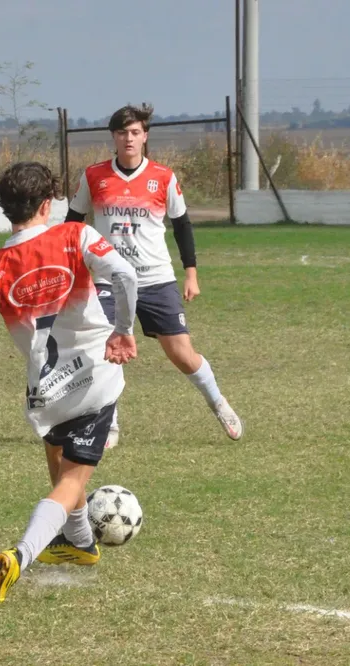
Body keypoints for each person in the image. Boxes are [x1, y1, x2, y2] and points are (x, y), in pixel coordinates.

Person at [0, 161, 139, 606]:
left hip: (46, 392)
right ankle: (20, 555)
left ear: (5, 209)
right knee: (69, 482)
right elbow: (125, 275)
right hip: (95, 378)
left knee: (58, 463)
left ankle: (80, 544)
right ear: (48, 204)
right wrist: (123, 330)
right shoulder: (75, 236)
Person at [65, 103, 243, 448]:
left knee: (182, 354)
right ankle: (108, 422)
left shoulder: (163, 177)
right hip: (109, 280)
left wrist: (191, 273)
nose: (128, 139)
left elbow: (183, 226)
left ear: (145, 136)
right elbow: (72, 225)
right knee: (104, 350)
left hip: (156, 279)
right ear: (113, 137)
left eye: (135, 132)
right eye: (122, 133)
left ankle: (218, 402)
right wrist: (74, 269)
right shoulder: (93, 176)